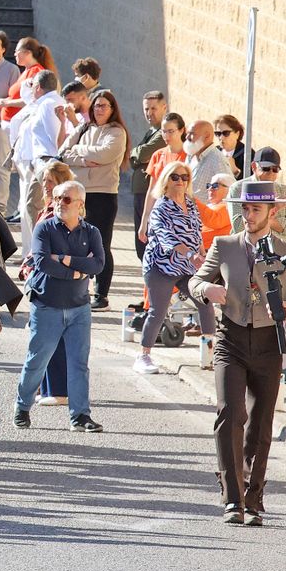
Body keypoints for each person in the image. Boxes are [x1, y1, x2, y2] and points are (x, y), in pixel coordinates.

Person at [193, 181, 286, 525]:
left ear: (272, 213)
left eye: (255, 209)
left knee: (260, 422)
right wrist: (206, 289)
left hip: (268, 341)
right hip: (230, 338)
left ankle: (254, 495)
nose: (248, 215)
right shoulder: (225, 245)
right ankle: (232, 497)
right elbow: (195, 280)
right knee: (229, 414)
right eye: (244, 208)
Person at [14, 180, 104, 433]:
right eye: (56, 198)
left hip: (79, 309)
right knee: (37, 361)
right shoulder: (44, 229)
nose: (59, 203)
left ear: (80, 204)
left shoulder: (91, 233)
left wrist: (64, 259)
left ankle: (80, 416)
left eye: (66, 199)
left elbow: (97, 265)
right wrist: (77, 271)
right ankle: (22, 407)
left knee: (79, 363)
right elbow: (43, 263)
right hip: (47, 306)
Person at [133, 161, 214, 374]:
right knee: (158, 310)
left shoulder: (191, 202)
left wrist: (201, 253)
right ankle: (144, 355)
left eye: (184, 177)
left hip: (187, 267)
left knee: (205, 301)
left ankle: (210, 352)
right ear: (166, 180)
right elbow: (165, 237)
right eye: (175, 177)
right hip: (160, 265)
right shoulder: (161, 205)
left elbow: (197, 231)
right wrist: (190, 254)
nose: (180, 181)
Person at [59, 90, 130, 310]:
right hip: (80, 193)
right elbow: (63, 152)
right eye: (96, 106)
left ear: (112, 109)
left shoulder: (117, 133)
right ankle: (78, 290)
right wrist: (84, 156)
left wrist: (79, 154)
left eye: (104, 106)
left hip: (104, 194)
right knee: (76, 243)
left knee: (101, 244)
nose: (99, 110)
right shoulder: (84, 128)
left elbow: (105, 155)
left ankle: (102, 295)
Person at [8, 70, 68, 225]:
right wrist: (28, 84)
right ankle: (36, 245)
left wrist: (51, 166)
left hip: (48, 163)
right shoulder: (45, 102)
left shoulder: (49, 104)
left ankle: (40, 244)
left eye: (34, 86)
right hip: (40, 163)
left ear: (39, 88)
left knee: (38, 207)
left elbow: (57, 139)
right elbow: (28, 97)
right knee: (31, 207)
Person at [224, 147, 286, 237]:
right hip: (246, 248)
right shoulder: (238, 189)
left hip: (276, 248)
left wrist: (264, 220)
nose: (271, 173)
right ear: (254, 167)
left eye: (275, 169)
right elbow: (238, 227)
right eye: (266, 168)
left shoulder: (283, 191)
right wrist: (273, 210)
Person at [130, 91, 169, 259]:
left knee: (146, 240)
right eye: (146, 109)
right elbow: (134, 159)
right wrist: (135, 155)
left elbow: (142, 154)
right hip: (141, 193)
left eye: (154, 108)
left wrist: (135, 153)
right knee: (140, 242)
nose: (149, 113)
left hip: (151, 194)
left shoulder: (162, 133)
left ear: (164, 107)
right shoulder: (151, 131)